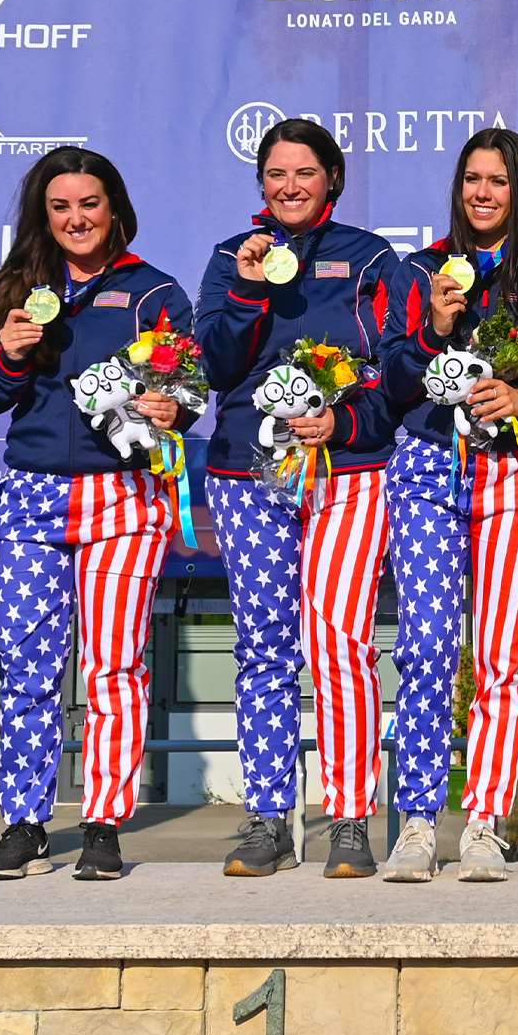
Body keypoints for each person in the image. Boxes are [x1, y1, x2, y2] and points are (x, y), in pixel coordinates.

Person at [0, 147, 193, 883]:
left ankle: (102, 823)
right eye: (60, 207)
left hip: (122, 498)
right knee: (28, 668)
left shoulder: (154, 292)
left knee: (115, 665)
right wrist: (8, 353)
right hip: (32, 496)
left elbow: (183, 399)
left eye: (89, 204)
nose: (76, 219)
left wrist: (170, 408)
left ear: (114, 207)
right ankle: (24, 822)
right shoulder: (17, 289)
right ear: (43, 215)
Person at [378, 127, 518, 883]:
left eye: (497, 181)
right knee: (426, 648)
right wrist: (435, 327)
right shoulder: (420, 270)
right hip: (429, 467)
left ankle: (484, 823)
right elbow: (392, 379)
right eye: (472, 178)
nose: (482, 192)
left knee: (505, 659)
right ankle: (414, 822)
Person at [196, 118, 402, 879]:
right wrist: (250, 291)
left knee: (340, 640)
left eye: (304, 174)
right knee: (263, 647)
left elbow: (399, 372)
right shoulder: (229, 259)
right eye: (276, 174)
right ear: (261, 185)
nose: (289, 187)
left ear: (332, 180)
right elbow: (213, 367)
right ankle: (268, 818)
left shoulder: (369, 258)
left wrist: (344, 419)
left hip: (348, 472)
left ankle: (349, 818)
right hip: (248, 475)